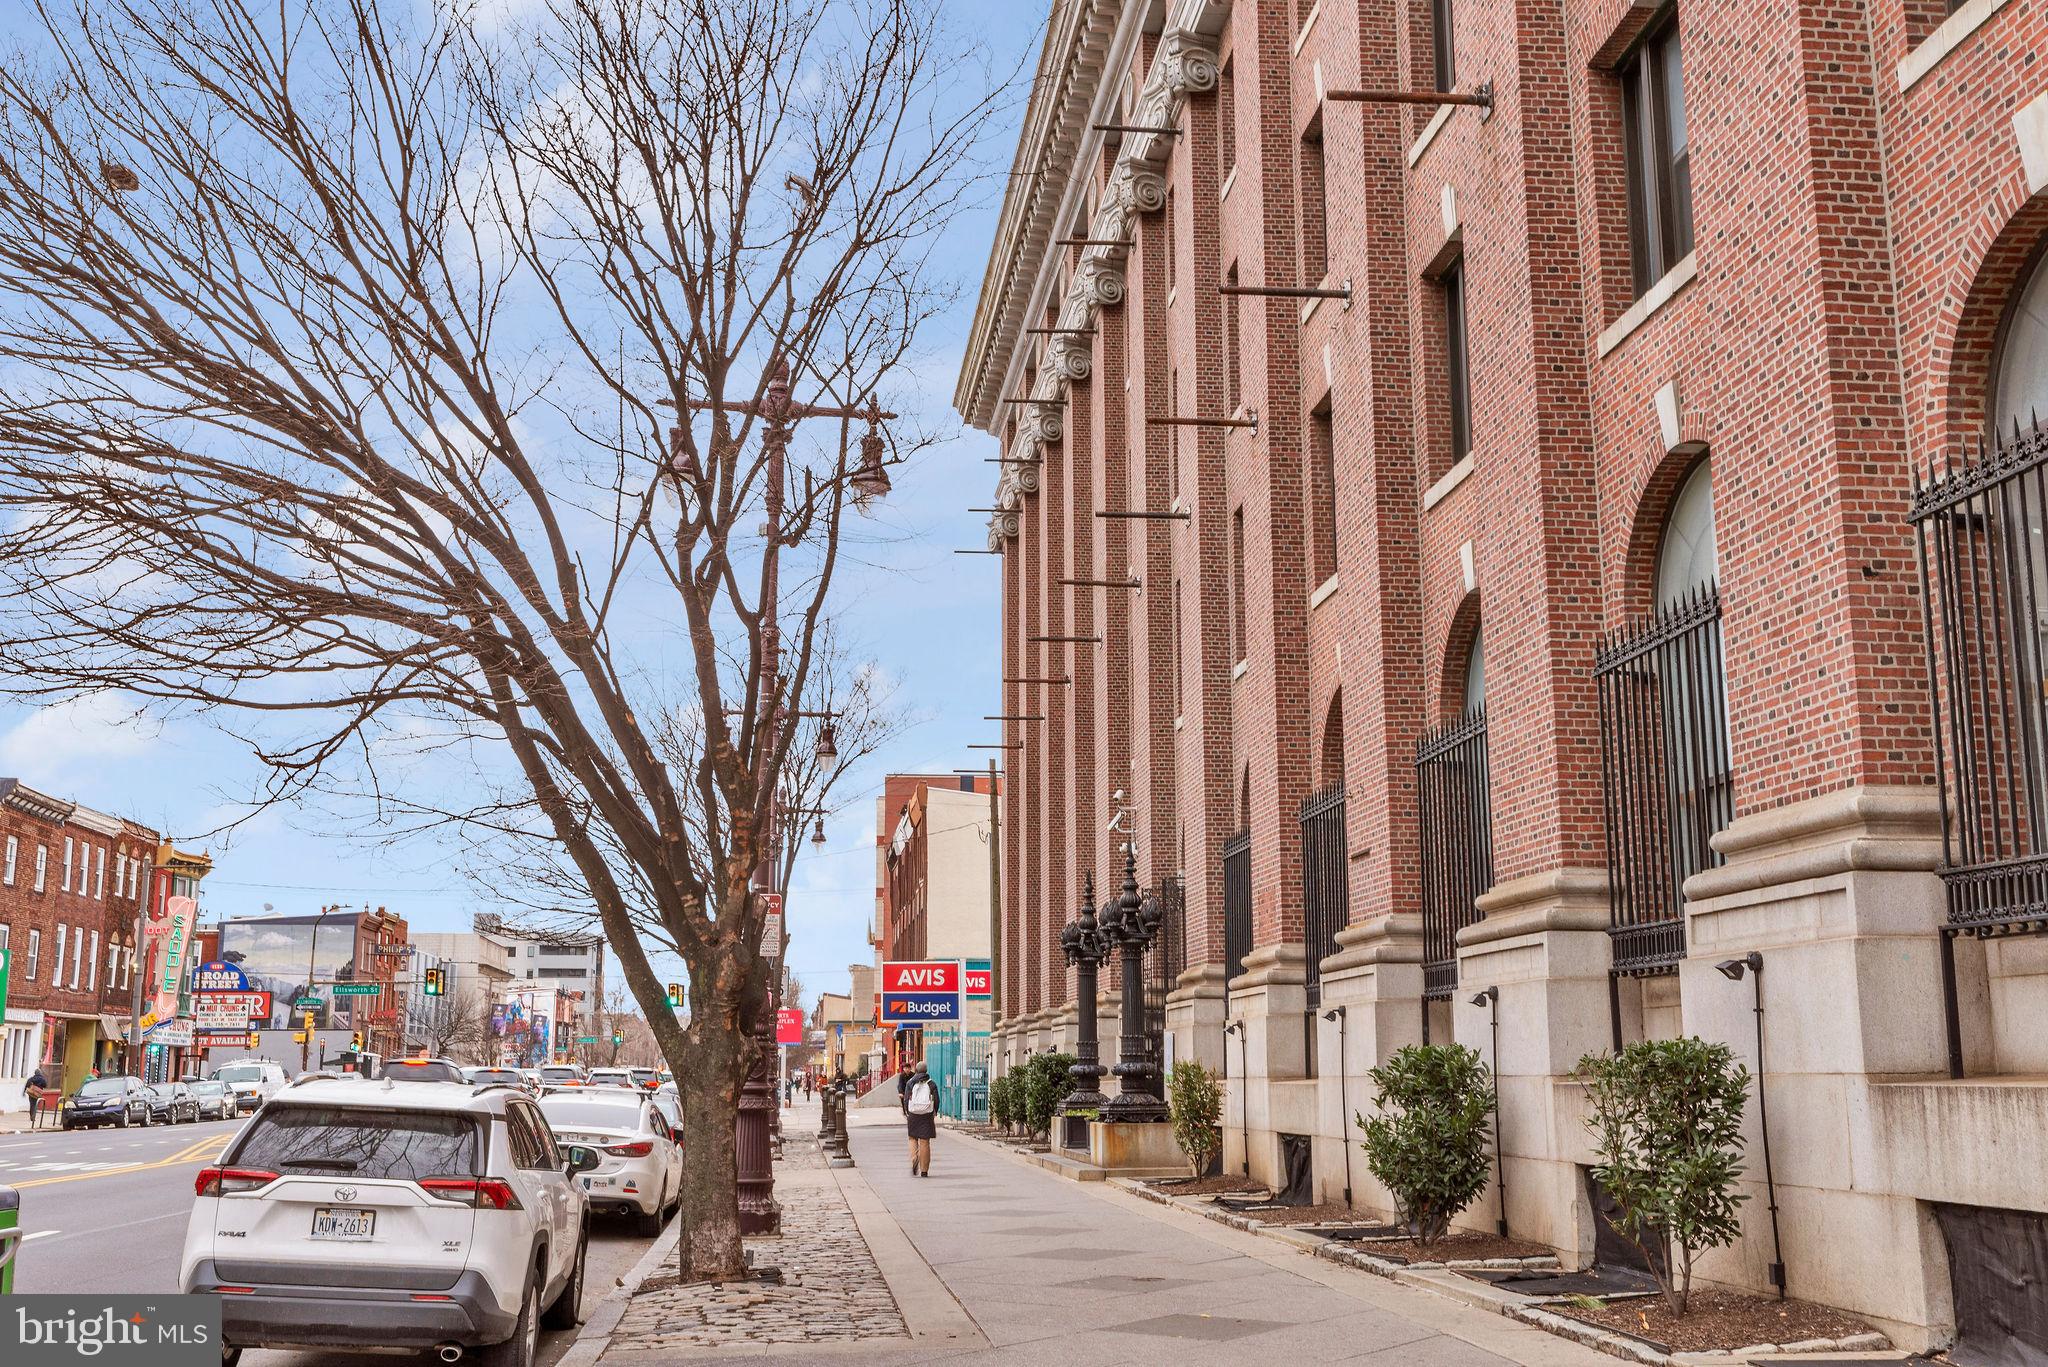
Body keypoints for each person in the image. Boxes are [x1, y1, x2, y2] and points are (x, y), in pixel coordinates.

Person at [899, 1057, 937, 1177]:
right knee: (925, 1141)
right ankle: (924, 1170)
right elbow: (936, 1100)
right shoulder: (931, 1083)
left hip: (914, 1113)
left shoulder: (910, 1082)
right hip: (926, 1114)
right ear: (926, 1071)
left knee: (912, 1138)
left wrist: (907, 1112)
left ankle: (914, 1158)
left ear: (916, 1070)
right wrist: (934, 1112)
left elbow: (906, 1099)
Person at [23, 1066, 50, 1130]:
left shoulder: (31, 1078)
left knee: (31, 1104)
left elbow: (27, 1085)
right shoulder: (42, 1079)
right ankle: (33, 1116)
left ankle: (31, 1116)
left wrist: (24, 1092)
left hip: (31, 1093)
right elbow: (45, 1085)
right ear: (40, 1073)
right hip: (37, 1094)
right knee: (35, 1104)